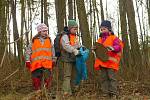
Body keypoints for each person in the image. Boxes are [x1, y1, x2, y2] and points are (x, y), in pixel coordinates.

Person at [93, 20, 123, 98]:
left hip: (111, 62)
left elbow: (119, 47)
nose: (102, 31)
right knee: (104, 78)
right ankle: (105, 93)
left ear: (109, 29)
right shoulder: (99, 39)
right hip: (102, 62)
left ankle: (114, 93)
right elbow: (97, 48)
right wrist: (94, 49)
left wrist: (112, 48)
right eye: (101, 29)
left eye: (104, 29)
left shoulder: (114, 38)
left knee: (111, 78)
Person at [25, 23, 55, 91]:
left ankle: (47, 93)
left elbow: (53, 51)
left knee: (48, 79)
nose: (45, 32)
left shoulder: (49, 40)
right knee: (36, 80)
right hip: (36, 64)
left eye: (46, 31)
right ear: (39, 32)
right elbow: (28, 51)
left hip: (47, 64)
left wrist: (54, 60)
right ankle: (37, 93)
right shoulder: (33, 40)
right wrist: (27, 61)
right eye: (44, 31)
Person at [59, 19, 81, 97]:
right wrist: (74, 50)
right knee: (67, 76)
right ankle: (65, 92)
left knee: (74, 75)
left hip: (74, 58)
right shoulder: (65, 36)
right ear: (69, 28)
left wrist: (81, 48)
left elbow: (77, 45)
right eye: (74, 29)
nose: (76, 30)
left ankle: (72, 91)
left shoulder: (74, 36)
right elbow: (66, 46)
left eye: (76, 29)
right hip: (67, 59)